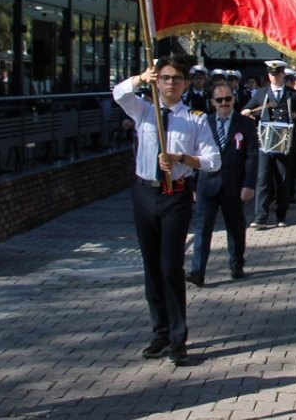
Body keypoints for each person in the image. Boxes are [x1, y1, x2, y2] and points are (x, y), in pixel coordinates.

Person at [112, 55, 220, 367]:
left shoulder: (195, 118)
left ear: (186, 84)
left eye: (176, 78)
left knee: (170, 266)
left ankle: (177, 336)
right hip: (145, 193)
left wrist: (182, 159)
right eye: (164, 78)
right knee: (151, 267)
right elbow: (118, 94)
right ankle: (159, 332)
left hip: (176, 196)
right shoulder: (144, 111)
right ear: (156, 81)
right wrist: (138, 79)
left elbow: (213, 160)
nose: (170, 83)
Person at [187, 81, 258, 287]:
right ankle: (197, 270)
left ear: (234, 99)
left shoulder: (245, 124)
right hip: (206, 185)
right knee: (202, 228)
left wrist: (249, 184)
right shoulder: (203, 123)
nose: (224, 103)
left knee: (235, 227)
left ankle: (236, 263)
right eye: (220, 100)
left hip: (234, 185)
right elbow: (194, 155)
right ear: (212, 103)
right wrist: (192, 186)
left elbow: (252, 157)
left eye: (228, 99)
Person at [241, 60, 296, 229]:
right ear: (268, 75)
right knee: (263, 179)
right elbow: (247, 108)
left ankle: (281, 215)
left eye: (278, 73)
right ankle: (260, 217)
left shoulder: (293, 95)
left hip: (285, 143)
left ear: (283, 75)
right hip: (265, 142)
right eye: (272, 74)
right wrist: (247, 112)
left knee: (283, 179)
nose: (275, 77)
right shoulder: (261, 93)